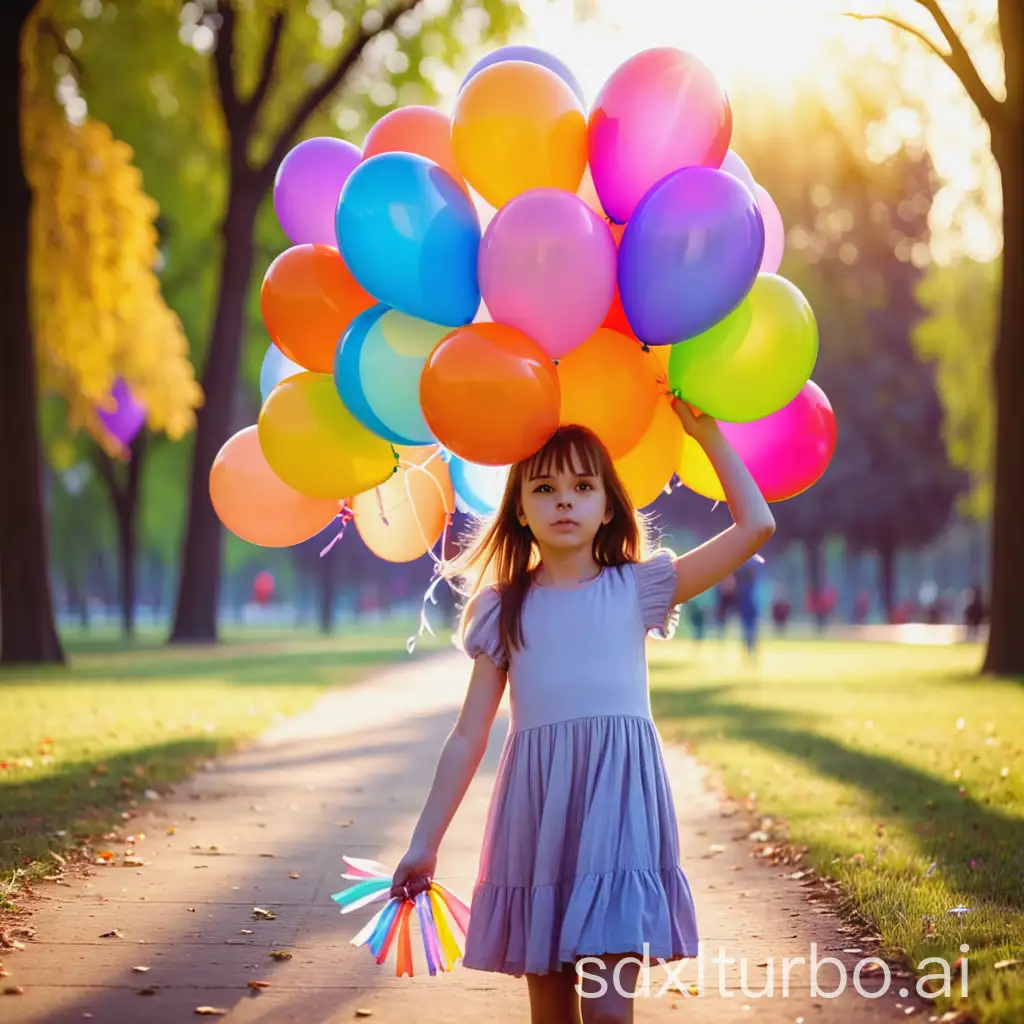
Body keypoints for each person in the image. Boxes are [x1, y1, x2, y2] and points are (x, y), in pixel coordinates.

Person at [388, 406, 775, 1024]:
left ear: (607, 505)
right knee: (553, 1016)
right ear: (519, 507)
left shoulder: (639, 587)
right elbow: (466, 736)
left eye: (582, 487)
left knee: (609, 1014)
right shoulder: (502, 610)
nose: (563, 501)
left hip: (619, 811)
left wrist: (708, 437)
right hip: (538, 816)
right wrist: (424, 842)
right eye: (544, 488)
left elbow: (756, 524)